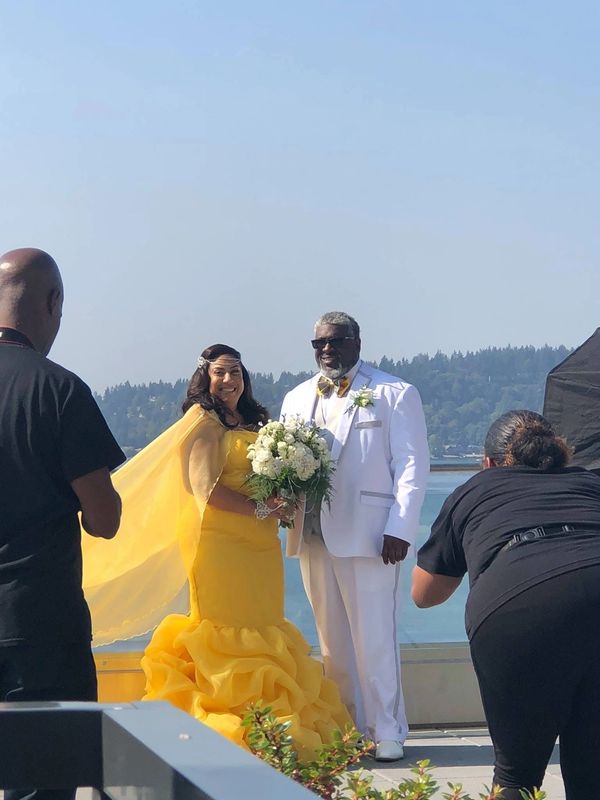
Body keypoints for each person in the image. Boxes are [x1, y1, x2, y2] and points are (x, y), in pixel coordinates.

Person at [136, 344, 352, 754]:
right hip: (220, 544)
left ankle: (271, 722)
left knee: (264, 621)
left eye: (235, 372)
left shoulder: (254, 421)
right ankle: (231, 720)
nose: (229, 380)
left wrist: (288, 491)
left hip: (260, 544)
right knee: (226, 625)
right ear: (205, 376)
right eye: (220, 372)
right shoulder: (201, 422)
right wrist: (262, 508)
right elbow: (205, 489)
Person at [413, 409, 600, 800]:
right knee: (592, 765)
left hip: (521, 604)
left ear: (488, 463)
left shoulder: (476, 489)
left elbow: (425, 594)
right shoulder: (590, 482)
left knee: (517, 776)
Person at [0, 248, 125, 800]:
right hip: (38, 628)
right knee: (40, 784)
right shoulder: (58, 389)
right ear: (53, 303)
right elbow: (104, 519)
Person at [280, 312, 429, 761]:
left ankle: (387, 729)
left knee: (375, 635)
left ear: (357, 343)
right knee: (331, 641)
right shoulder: (296, 397)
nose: (327, 349)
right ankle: (345, 728)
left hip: (372, 536)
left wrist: (399, 527)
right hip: (312, 534)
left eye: (336, 341)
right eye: (319, 343)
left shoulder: (394, 393)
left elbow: (412, 465)